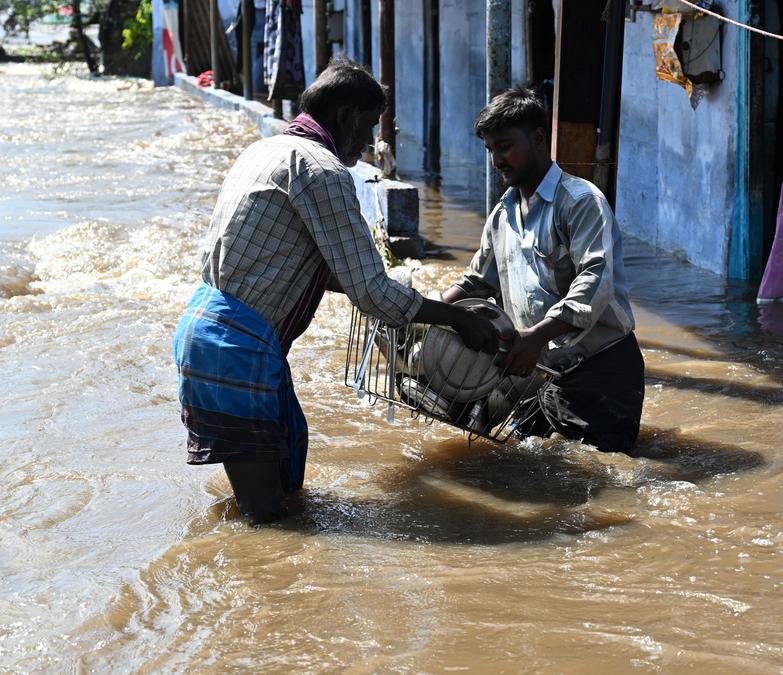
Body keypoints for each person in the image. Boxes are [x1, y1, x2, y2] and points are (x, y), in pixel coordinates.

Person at [173, 60, 499, 524]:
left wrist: (392, 291)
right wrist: (458, 318)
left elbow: (298, 266)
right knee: (266, 521)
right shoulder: (321, 169)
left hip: (211, 332)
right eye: (367, 127)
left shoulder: (263, 151)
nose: (368, 142)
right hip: (235, 348)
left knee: (286, 493)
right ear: (345, 116)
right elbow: (372, 295)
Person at [442, 87, 644, 454]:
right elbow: (476, 280)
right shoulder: (503, 213)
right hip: (539, 370)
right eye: (490, 150)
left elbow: (594, 281)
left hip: (600, 370)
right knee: (526, 467)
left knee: (598, 478)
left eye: (504, 146)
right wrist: (431, 315)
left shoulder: (581, 202)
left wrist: (536, 336)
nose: (496, 160)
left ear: (538, 138)